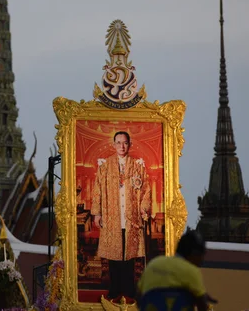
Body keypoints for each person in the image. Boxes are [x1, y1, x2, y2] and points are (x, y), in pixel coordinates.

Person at [91, 131, 151, 299]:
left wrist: (143, 208)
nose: (122, 146)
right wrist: (97, 214)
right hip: (112, 216)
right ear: (114, 144)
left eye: (125, 143)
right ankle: (115, 288)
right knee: (114, 254)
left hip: (131, 217)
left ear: (129, 144)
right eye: (118, 143)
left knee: (129, 255)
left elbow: (146, 189)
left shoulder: (138, 166)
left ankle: (129, 288)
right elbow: (97, 191)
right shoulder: (105, 167)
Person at [137, 230, 218, 311]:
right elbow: (202, 306)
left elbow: (138, 297)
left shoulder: (153, 264)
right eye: (202, 255)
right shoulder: (191, 271)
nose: (202, 260)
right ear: (194, 254)